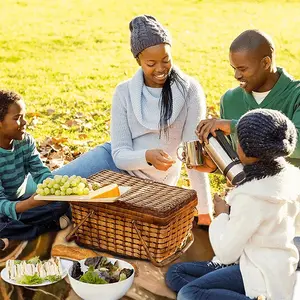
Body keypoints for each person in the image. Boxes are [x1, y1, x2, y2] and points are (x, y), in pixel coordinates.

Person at [46, 15, 212, 225]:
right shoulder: (124, 92)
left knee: (72, 209)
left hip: (150, 184)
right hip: (113, 163)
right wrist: (147, 156)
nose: (160, 69)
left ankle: (62, 217)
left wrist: (205, 211)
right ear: (138, 61)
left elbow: (192, 156)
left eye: (166, 59)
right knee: (47, 189)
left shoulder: (190, 90)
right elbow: (119, 155)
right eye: (151, 63)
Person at [166, 108, 300, 300]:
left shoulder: (251, 197)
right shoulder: (291, 177)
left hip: (259, 273)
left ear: (244, 149)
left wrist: (222, 215)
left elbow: (226, 253)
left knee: (189, 293)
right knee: (175, 274)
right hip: (274, 265)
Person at [195, 29, 300, 171]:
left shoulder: (296, 95)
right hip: (249, 189)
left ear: (266, 63)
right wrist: (215, 166)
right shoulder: (230, 100)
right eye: (234, 68)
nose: (236, 75)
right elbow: (239, 161)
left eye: (242, 69)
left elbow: (296, 144)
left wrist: (235, 127)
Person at [0, 90, 70, 254]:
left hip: (20, 204)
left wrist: (55, 189)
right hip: (5, 209)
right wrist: (30, 204)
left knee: (62, 204)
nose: (24, 122)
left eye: (24, 116)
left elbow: (40, 173)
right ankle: (45, 227)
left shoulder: (25, 141)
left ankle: (13, 236)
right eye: (17, 118)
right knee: (3, 223)